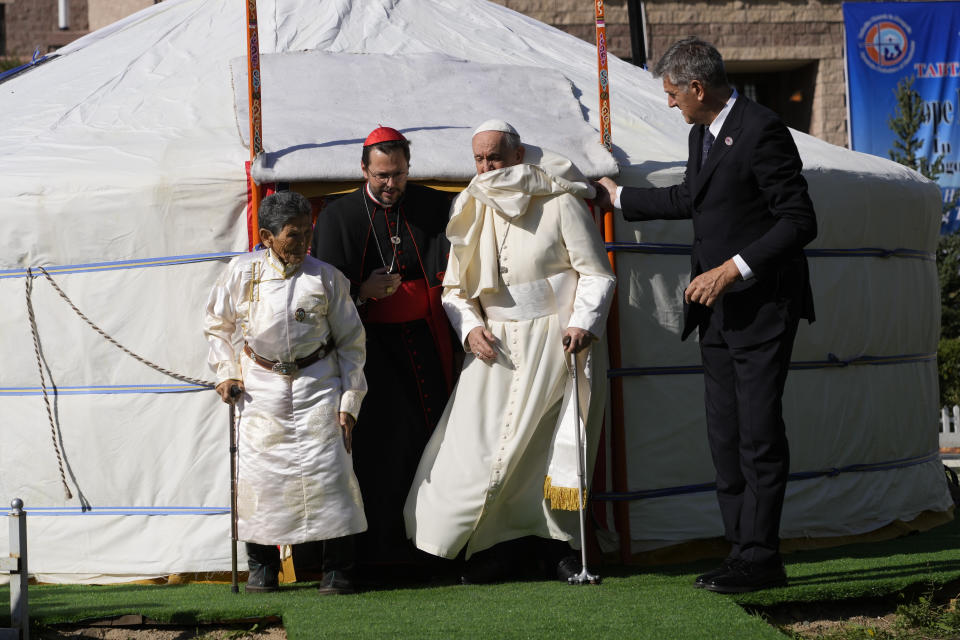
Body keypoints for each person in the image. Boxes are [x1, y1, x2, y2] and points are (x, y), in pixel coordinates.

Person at [594, 37, 817, 594]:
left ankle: (763, 557)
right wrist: (618, 199)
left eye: (672, 93)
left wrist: (731, 270)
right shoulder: (702, 135)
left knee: (758, 437)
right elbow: (692, 199)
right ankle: (740, 552)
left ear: (697, 88)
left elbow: (799, 221)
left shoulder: (763, 130)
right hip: (716, 315)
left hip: (762, 308)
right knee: (724, 436)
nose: (669, 104)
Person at [403, 120, 616, 583]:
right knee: (476, 448)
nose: (485, 167)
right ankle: (479, 548)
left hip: (555, 342)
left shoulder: (559, 200)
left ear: (518, 155)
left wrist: (583, 323)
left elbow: (597, 274)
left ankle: (554, 549)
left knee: (544, 450)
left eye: (494, 158)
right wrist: (470, 329)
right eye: (479, 159)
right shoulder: (472, 206)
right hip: (493, 347)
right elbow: (455, 291)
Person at [204, 191, 368, 595]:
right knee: (261, 479)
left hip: (319, 384)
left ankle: (338, 569)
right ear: (267, 236)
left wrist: (350, 399)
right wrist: (226, 372)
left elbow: (351, 342)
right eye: (294, 235)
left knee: (331, 473)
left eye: (307, 232)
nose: (304, 242)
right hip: (260, 388)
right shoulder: (241, 273)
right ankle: (262, 567)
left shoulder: (327, 277)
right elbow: (216, 325)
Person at [311, 126, 455, 577]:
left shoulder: (433, 205)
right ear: (363, 170)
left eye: (398, 174)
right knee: (377, 451)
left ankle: (430, 550)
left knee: (428, 443)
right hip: (366, 353)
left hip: (425, 346)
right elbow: (322, 291)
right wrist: (363, 290)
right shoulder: (339, 215)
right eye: (381, 176)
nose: (390, 185)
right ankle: (375, 556)